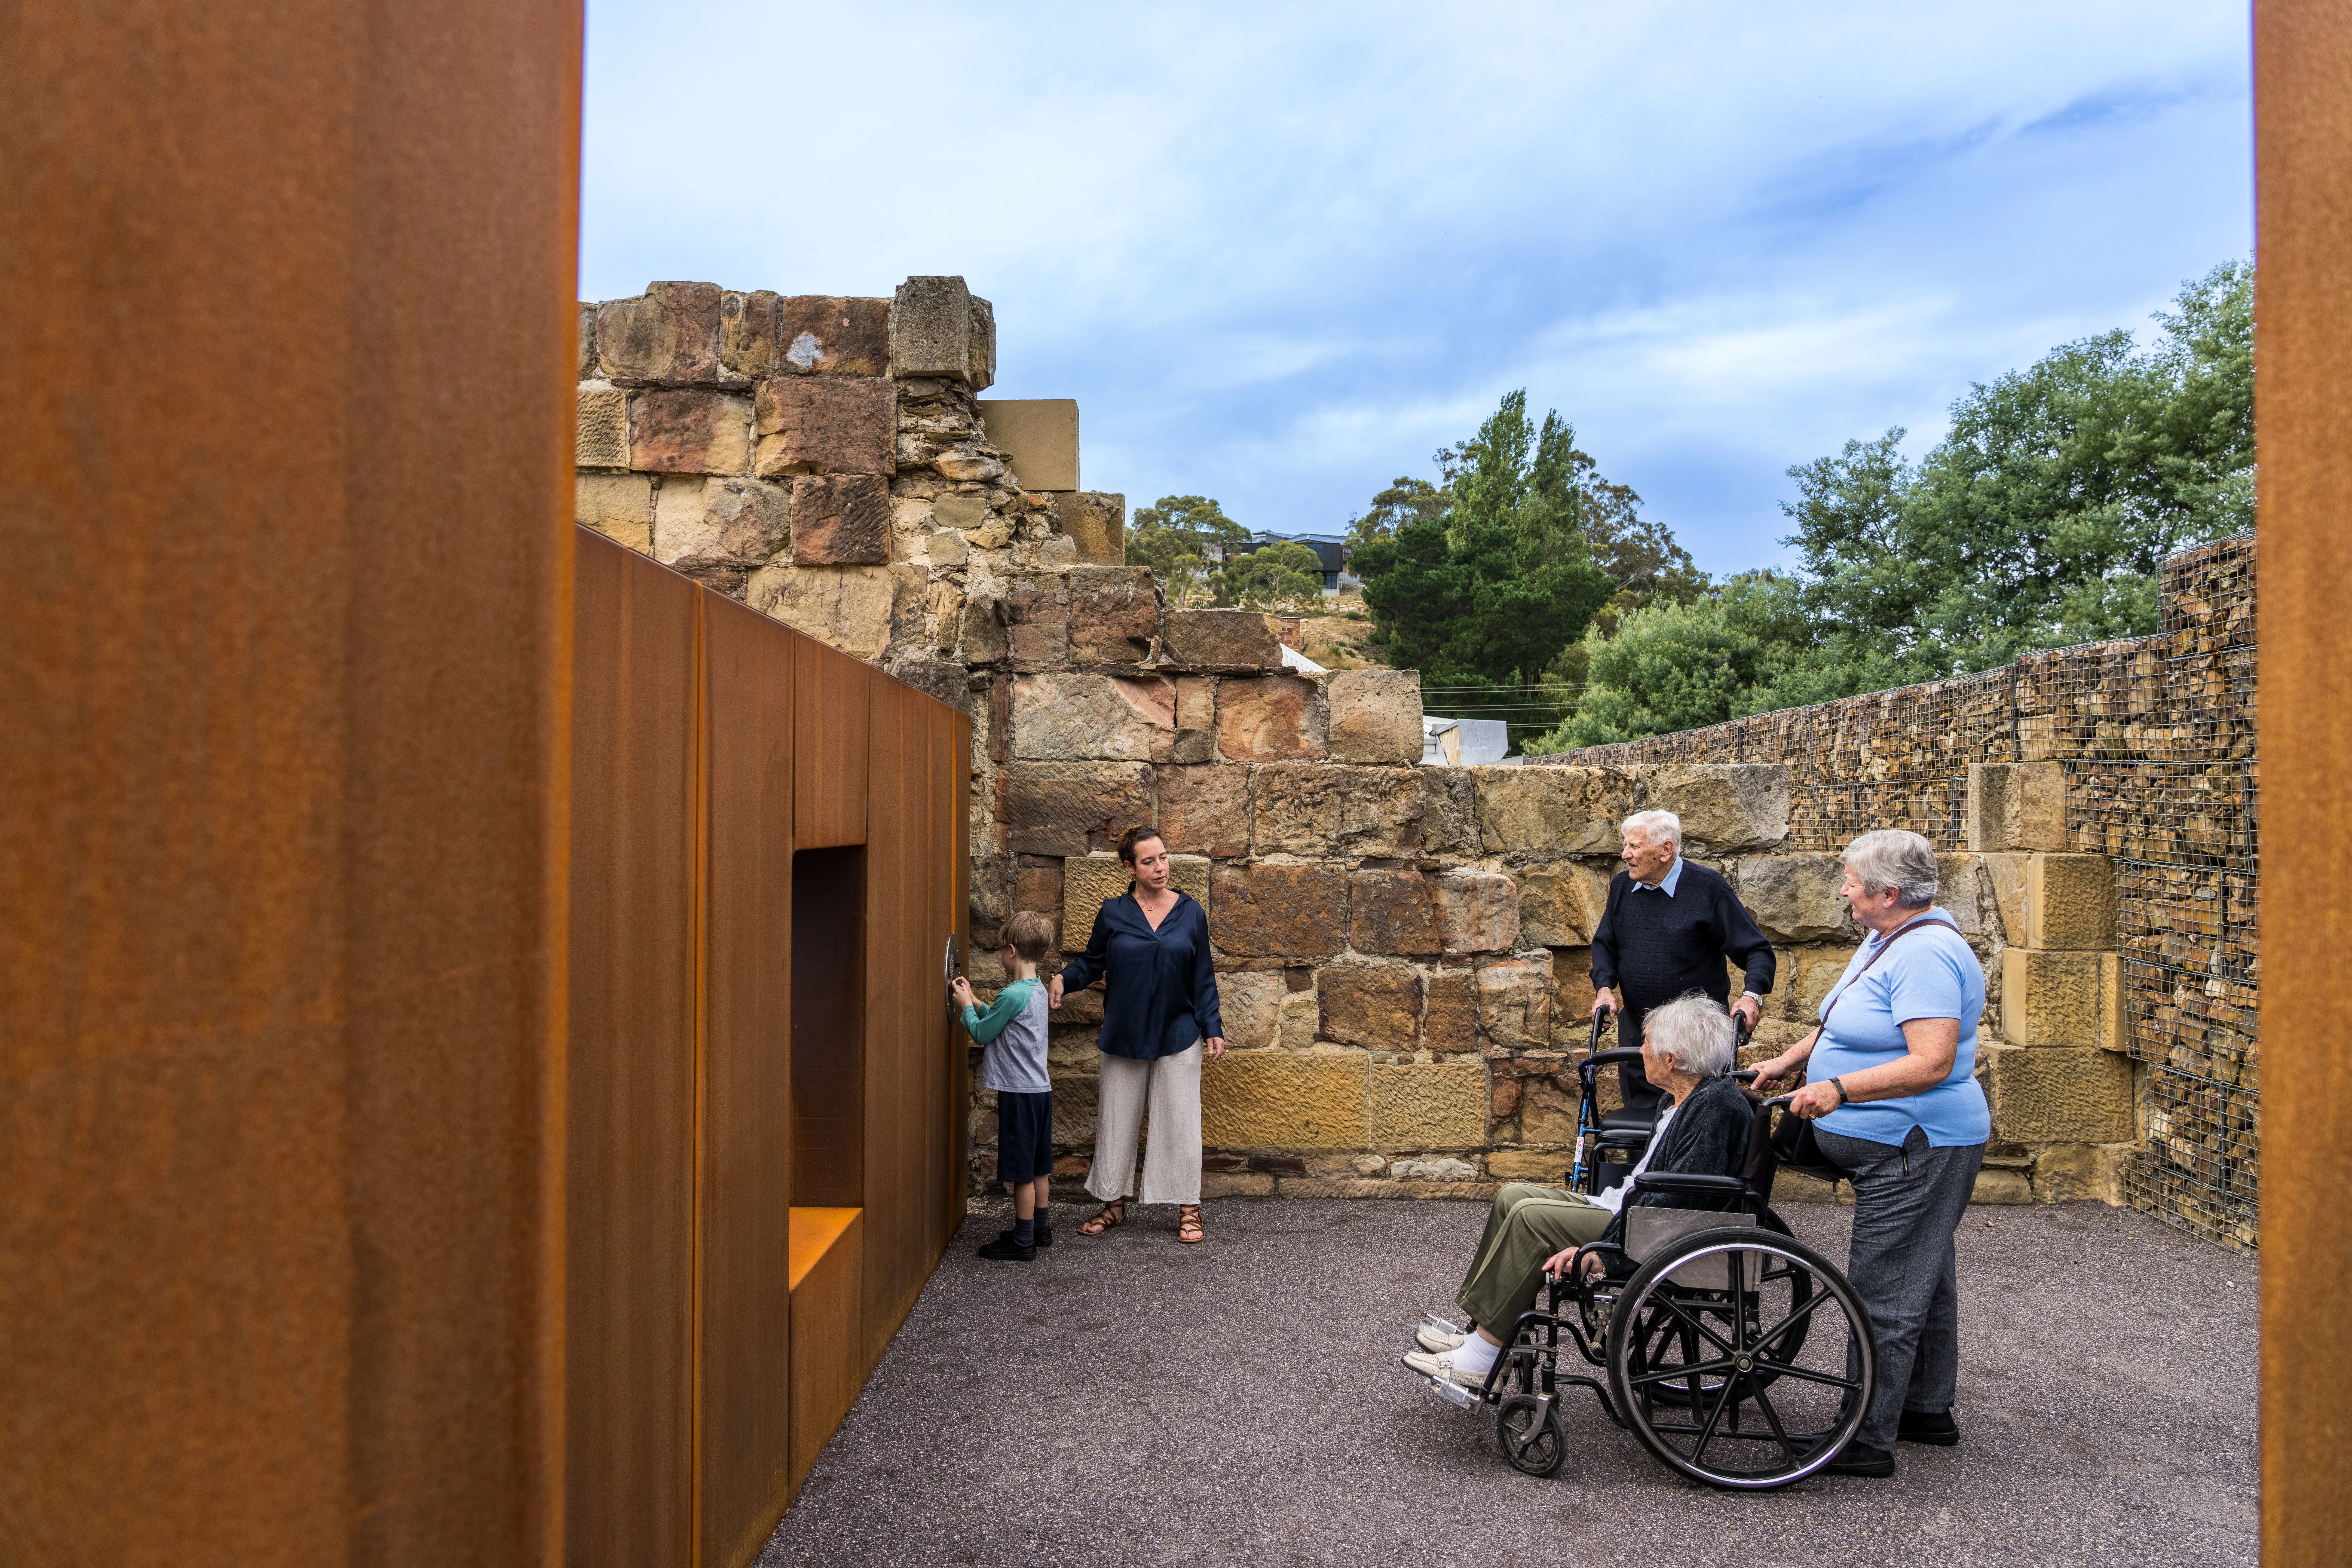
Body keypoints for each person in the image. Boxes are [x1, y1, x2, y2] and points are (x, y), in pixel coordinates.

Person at [1749, 828, 1989, 1480]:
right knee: (1924, 1270)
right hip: (1899, 1143)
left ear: (1888, 892)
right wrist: (1789, 1061)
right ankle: (1923, 1407)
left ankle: (1864, 1435)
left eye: (1851, 880)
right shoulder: (1886, 939)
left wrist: (1838, 1087)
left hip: (1916, 1143)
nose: (1842, 889)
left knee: (1884, 1290)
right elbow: (1838, 1021)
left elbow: (1932, 1060)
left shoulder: (1927, 954)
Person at [1402, 994, 1750, 1390]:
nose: (1641, 1050)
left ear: (1672, 1058)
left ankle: (1483, 1357)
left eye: (1648, 1042)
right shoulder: (1681, 1099)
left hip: (1643, 1227)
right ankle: (1484, 1329)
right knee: (1512, 1196)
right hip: (1628, 1208)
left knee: (1531, 1220)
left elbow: (1681, 1201)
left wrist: (1608, 1256)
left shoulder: (1715, 1107)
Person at [1048, 826, 1226, 1244]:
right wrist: (1062, 979)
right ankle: (1112, 1205)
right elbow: (1091, 964)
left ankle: (1188, 1208)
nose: (1160, 867)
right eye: (1149, 861)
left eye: (1163, 858)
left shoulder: (1191, 913)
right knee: (1116, 1120)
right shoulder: (1114, 912)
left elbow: (1203, 978)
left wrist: (1212, 1027)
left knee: (1180, 1123)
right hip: (1125, 1032)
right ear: (1130, 867)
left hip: (1179, 1031)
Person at [1589, 809, 1776, 1119]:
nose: (1625, 855)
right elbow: (1605, 944)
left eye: (1634, 847)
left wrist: (1752, 995)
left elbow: (1757, 950)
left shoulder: (1708, 888)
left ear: (1666, 850)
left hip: (1696, 1037)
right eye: (1626, 845)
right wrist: (1605, 989)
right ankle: (1644, 1169)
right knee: (1643, 1117)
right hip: (1641, 1030)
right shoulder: (1623, 887)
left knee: (1701, 1118)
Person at [951, 911, 1060, 1262]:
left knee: (1021, 1172)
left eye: (1001, 950)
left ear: (1011, 950)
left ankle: (1023, 1240)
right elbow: (1002, 1020)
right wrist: (975, 999)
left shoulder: (1014, 993)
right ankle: (1040, 1229)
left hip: (1019, 1095)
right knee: (1039, 1166)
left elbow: (984, 1033)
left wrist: (966, 1008)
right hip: (1040, 1093)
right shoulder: (1037, 989)